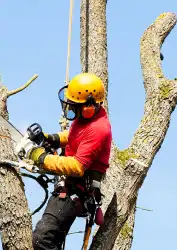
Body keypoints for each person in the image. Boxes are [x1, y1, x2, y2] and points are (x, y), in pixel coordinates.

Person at [22, 73, 112, 250]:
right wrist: (51, 138)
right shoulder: (87, 117)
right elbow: (74, 135)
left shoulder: (99, 129)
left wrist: (40, 157)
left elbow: (77, 167)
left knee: (42, 240)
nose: (71, 110)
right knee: (45, 239)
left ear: (88, 106)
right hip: (68, 185)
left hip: (77, 191)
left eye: (75, 106)